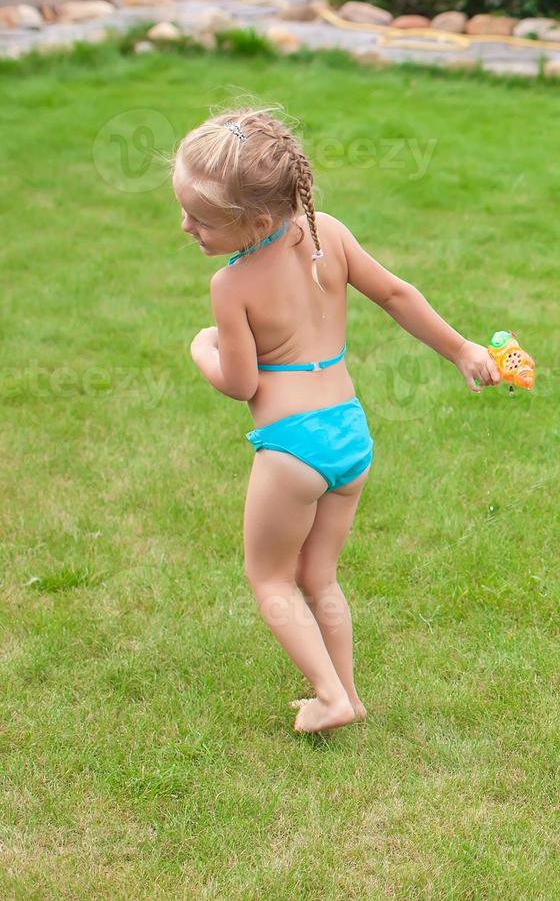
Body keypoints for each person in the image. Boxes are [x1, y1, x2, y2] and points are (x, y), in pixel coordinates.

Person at [177, 108, 501, 733]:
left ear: (258, 221)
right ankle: (346, 694)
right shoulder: (329, 233)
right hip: (349, 436)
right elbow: (397, 295)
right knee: (317, 573)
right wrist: (463, 349)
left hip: (292, 448)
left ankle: (328, 694)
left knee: (269, 575)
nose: (186, 225)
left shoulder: (232, 284)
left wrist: (202, 351)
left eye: (200, 217)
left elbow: (241, 383)